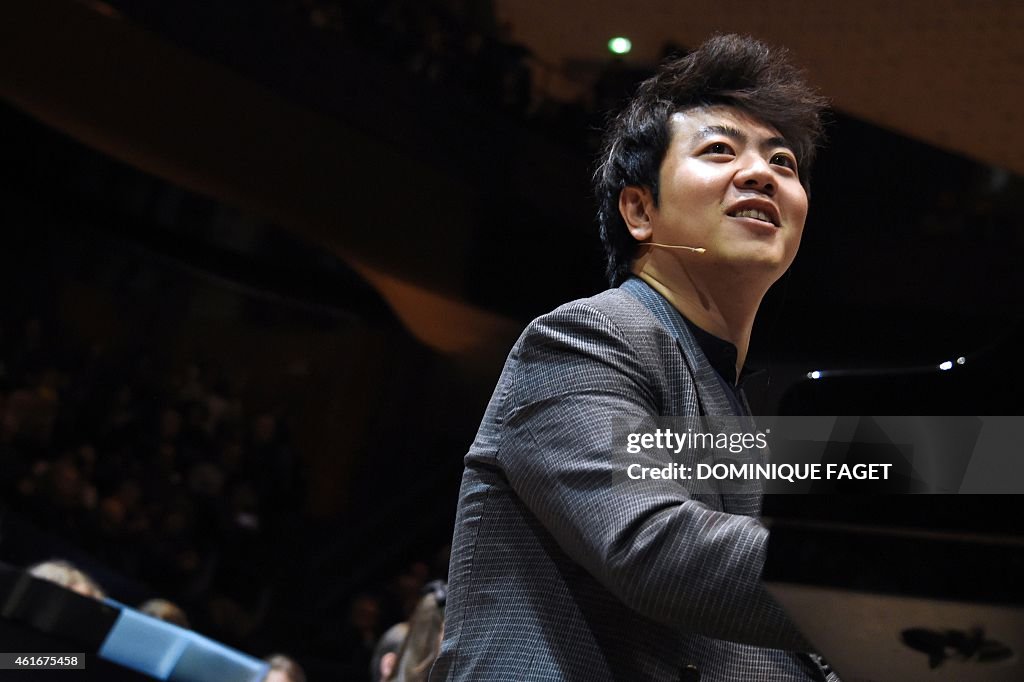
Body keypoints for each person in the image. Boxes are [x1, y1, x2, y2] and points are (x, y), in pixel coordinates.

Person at [431, 34, 836, 681]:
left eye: (783, 163)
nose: (763, 173)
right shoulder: (584, 339)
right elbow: (653, 544)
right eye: (720, 150)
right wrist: (906, 575)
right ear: (640, 210)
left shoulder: (741, 415)